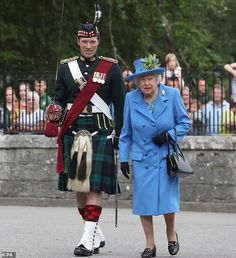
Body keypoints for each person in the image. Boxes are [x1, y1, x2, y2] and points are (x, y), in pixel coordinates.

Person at [51, 7, 125, 257]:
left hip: (101, 132)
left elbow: (121, 106)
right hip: (73, 129)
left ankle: (86, 240)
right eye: (84, 41)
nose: (89, 45)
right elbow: (59, 99)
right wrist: (54, 111)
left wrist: (120, 139)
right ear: (78, 41)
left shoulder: (110, 68)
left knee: (93, 187)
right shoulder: (65, 68)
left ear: (98, 41)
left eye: (92, 41)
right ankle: (94, 231)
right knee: (79, 187)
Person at [119, 55, 191, 257]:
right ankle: (150, 244)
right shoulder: (130, 99)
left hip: (165, 158)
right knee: (144, 202)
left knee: (167, 201)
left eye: (150, 78)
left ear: (157, 79)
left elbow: (185, 123)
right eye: (142, 80)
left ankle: (171, 234)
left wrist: (168, 135)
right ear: (136, 82)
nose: (146, 83)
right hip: (142, 158)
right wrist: (124, 159)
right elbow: (126, 133)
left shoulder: (173, 94)